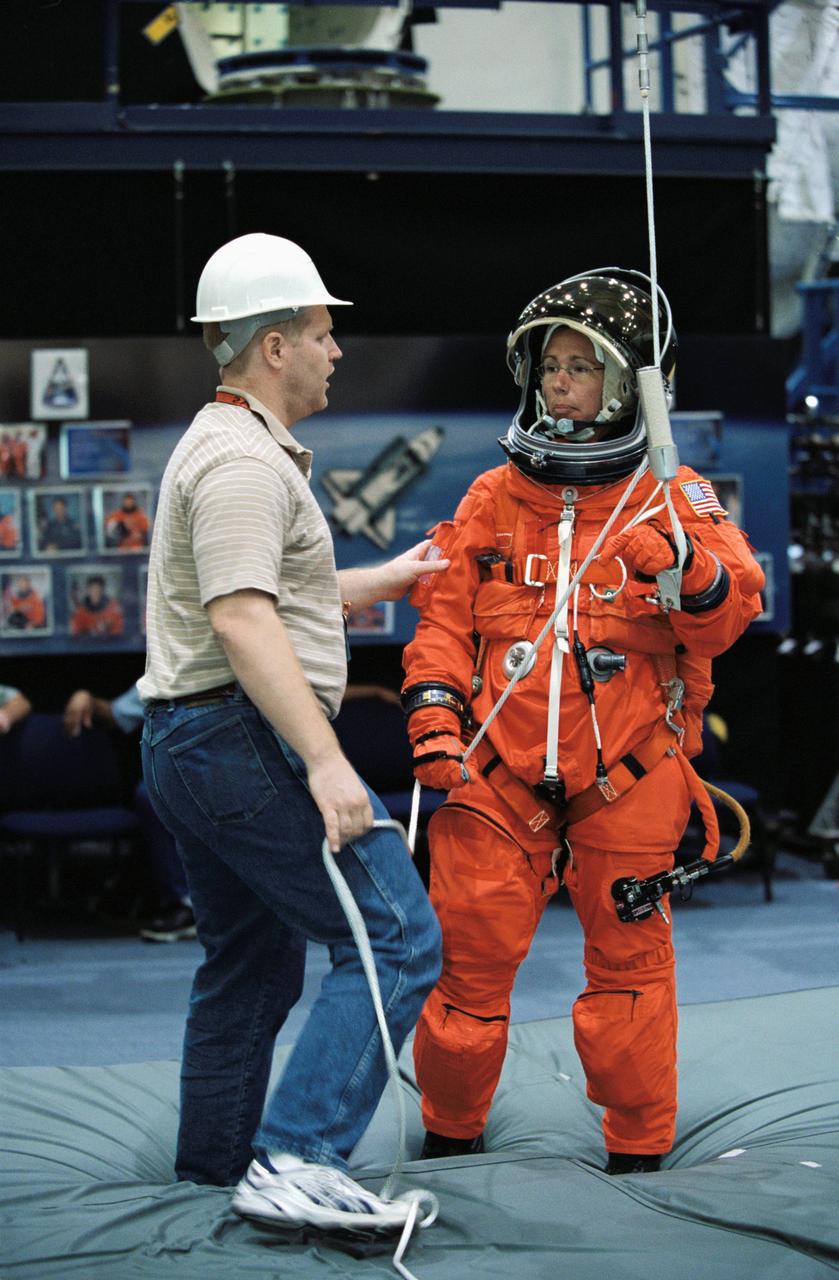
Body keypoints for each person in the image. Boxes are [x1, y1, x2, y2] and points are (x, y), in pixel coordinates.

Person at [401, 268, 765, 1174]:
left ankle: (638, 1153)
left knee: (630, 979)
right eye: (549, 366)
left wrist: (685, 572)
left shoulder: (673, 499)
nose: (557, 382)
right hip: (497, 771)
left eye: (580, 365)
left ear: (629, 381)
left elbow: (733, 611)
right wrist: (437, 722)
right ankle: (451, 1137)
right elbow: (443, 621)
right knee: (467, 968)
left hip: (628, 776)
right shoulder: (493, 496)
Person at [138, 233, 444, 1232]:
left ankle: (209, 1174)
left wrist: (392, 575)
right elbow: (240, 617)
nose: (335, 350)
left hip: (192, 740)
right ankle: (298, 1156)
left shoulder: (236, 449)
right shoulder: (239, 463)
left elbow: (281, 593)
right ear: (273, 345)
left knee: (250, 964)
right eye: (321, 331)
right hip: (236, 738)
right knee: (399, 935)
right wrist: (324, 758)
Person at [63, 683, 195, 942]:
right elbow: (117, 713)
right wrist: (86, 696)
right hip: (185, 764)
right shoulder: (166, 670)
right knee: (150, 792)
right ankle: (184, 904)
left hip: (236, 757)